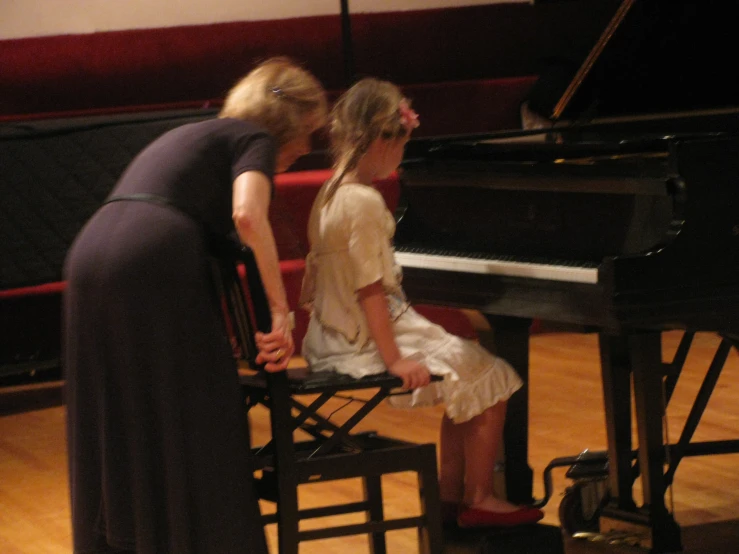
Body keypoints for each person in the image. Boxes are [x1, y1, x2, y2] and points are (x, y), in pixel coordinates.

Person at [63, 57, 328, 554]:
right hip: (151, 264)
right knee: (200, 411)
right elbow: (248, 215)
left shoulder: (193, 135)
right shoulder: (254, 139)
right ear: (287, 125)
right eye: (308, 133)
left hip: (90, 257)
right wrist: (280, 309)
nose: (306, 149)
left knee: (121, 411)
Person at [298, 77, 544, 529]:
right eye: (403, 143)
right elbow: (369, 288)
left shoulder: (330, 192)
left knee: (465, 380)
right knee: (495, 378)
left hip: (333, 333)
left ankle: (450, 499)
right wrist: (394, 359)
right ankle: (480, 496)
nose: (403, 154)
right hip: (365, 338)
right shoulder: (364, 202)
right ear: (381, 139)